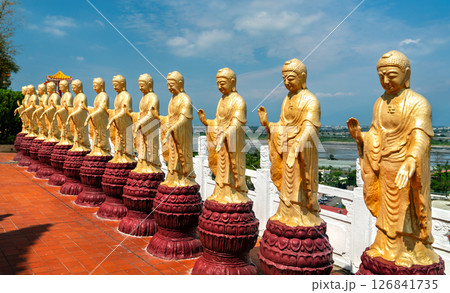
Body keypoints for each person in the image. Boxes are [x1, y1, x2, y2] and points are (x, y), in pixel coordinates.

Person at [347, 50, 440, 267]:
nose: (386, 81)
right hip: (384, 165)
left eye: (391, 75)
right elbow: (376, 134)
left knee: (406, 209)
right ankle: (383, 245)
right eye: (381, 76)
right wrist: (361, 137)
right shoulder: (379, 103)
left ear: (406, 74)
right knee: (384, 211)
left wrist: (411, 161)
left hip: (406, 168)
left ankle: (409, 249)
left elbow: (421, 136)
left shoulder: (418, 103)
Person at [258, 58, 322, 227]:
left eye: (290, 78)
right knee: (287, 185)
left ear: (302, 77)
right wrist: (268, 124)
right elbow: (282, 125)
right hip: (287, 148)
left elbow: (310, 127)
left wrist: (297, 146)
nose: (286, 82)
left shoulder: (311, 100)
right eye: (284, 78)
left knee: (299, 184)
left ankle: (301, 214)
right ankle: (285, 212)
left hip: (301, 151)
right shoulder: (287, 99)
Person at [198, 68, 248, 203]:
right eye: (218, 83)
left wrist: (226, 134)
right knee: (221, 170)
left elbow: (237, 123)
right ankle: (220, 191)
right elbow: (218, 121)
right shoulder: (222, 100)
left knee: (230, 169)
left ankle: (232, 192)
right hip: (221, 140)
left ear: (232, 82)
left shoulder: (238, 101)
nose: (219, 86)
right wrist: (207, 122)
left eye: (223, 83)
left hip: (231, 142)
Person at [151, 71, 196, 187]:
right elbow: (170, 118)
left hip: (182, 135)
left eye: (171, 85)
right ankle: (172, 177)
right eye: (167, 85)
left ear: (180, 84)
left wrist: (172, 128)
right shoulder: (172, 99)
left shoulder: (185, 99)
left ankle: (184, 178)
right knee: (172, 157)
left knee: (181, 157)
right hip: (172, 135)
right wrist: (159, 117)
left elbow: (184, 119)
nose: (169, 88)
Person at [133, 73, 161, 173]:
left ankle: (152, 165)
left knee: (151, 146)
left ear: (149, 84)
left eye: (142, 84)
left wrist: (140, 122)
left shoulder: (153, 97)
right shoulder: (143, 98)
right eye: (139, 84)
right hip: (142, 127)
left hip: (150, 126)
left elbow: (151, 114)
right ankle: (142, 164)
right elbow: (141, 113)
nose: (140, 87)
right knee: (141, 147)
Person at [107, 75, 134, 163]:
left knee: (125, 141)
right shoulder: (118, 96)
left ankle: (126, 156)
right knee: (118, 140)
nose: (114, 87)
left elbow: (125, 110)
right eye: (113, 85)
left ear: (122, 84)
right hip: (118, 123)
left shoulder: (126, 95)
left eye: (116, 84)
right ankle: (118, 155)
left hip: (124, 123)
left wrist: (114, 118)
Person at [85, 78, 110, 156]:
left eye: (96, 86)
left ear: (101, 86)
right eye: (93, 86)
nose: (94, 88)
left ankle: (103, 150)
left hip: (102, 120)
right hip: (97, 120)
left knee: (102, 136)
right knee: (96, 136)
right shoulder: (98, 96)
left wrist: (91, 115)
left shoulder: (104, 95)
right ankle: (96, 149)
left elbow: (102, 108)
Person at [67, 79, 90, 152]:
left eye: (74, 87)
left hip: (81, 119)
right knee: (76, 134)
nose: (73, 89)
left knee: (81, 134)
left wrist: (72, 114)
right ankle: (76, 145)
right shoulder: (76, 96)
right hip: (76, 119)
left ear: (79, 87)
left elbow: (81, 108)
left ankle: (83, 146)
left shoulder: (82, 96)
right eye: (72, 87)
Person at [54, 80, 73, 145]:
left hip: (66, 117)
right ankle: (63, 139)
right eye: (59, 86)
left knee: (66, 130)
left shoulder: (68, 95)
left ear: (66, 86)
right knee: (63, 129)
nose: (59, 88)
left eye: (61, 86)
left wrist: (58, 111)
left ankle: (67, 140)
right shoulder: (64, 95)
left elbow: (68, 108)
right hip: (62, 117)